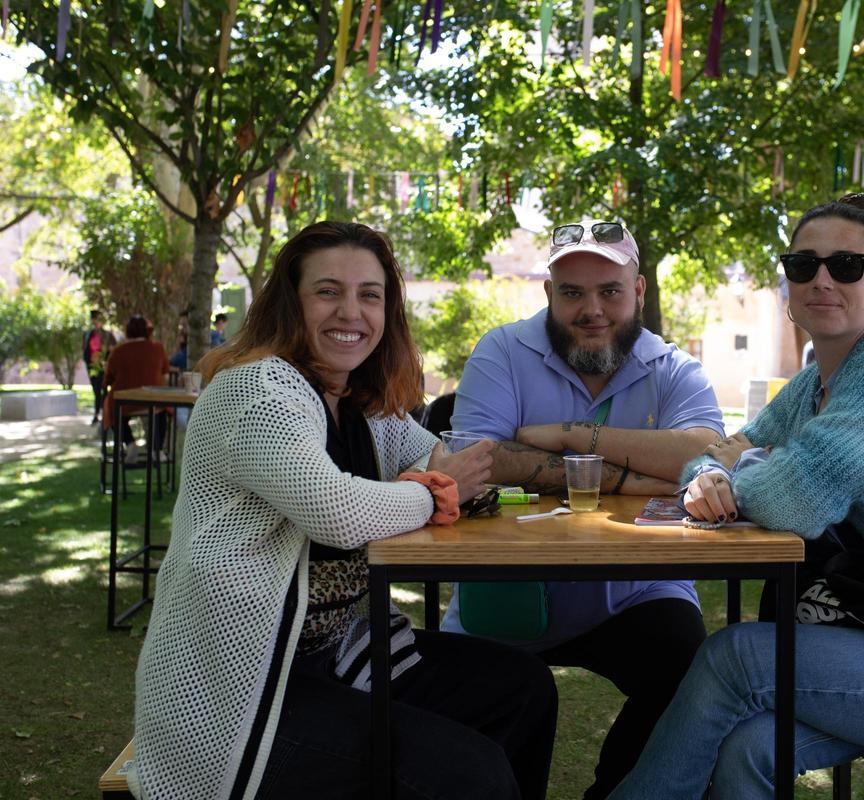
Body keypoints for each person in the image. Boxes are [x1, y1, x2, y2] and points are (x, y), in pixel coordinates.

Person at [610, 193, 864, 800]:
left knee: (736, 659)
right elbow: (724, 450)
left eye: (847, 266)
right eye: (803, 266)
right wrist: (710, 473)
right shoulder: (815, 383)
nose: (822, 280)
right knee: (748, 748)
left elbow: (793, 500)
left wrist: (733, 476)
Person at [127, 222, 557, 800]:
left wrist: (476, 473)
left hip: (333, 656)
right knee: (469, 774)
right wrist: (431, 493)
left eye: (370, 295)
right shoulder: (255, 390)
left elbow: (443, 458)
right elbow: (338, 509)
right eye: (328, 292)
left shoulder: (359, 402)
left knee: (522, 687)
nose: (351, 312)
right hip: (237, 692)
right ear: (290, 303)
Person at [445, 219, 726, 800]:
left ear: (639, 292)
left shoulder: (674, 367)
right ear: (548, 294)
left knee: (691, 674)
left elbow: (706, 456)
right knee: (492, 706)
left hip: (637, 591)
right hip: (506, 588)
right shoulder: (501, 349)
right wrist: (638, 472)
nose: (592, 309)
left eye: (610, 291)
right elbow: (477, 463)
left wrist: (570, 436)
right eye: (572, 292)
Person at [102, 314, 171, 464]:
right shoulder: (157, 348)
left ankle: (129, 442)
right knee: (162, 411)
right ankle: (156, 449)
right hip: (153, 400)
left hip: (125, 402)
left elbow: (108, 378)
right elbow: (165, 373)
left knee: (112, 409)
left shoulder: (118, 351)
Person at [82, 310, 117, 425]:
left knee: (104, 390)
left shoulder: (108, 335)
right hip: (92, 366)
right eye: (94, 319)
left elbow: (113, 350)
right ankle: (97, 413)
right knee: (96, 390)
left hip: (104, 366)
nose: (96, 322)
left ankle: (104, 414)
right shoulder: (88, 335)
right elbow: (85, 350)